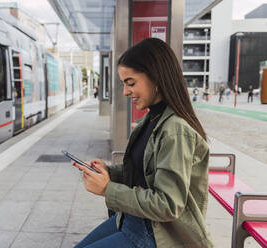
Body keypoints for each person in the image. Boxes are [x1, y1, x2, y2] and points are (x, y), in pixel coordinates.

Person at [73, 38, 213, 248]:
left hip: (158, 234)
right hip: (134, 219)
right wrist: (109, 173)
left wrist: (107, 189)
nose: (126, 92)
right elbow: (146, 173)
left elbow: (167, 204)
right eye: (123, 84)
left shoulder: (175, 130)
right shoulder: (151, 120)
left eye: (131, 83)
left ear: (156, 77)